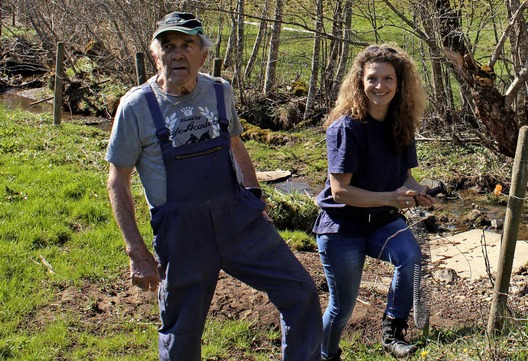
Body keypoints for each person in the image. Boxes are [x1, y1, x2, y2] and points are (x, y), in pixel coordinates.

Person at [105, 11, 322, 361]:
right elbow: (118, 180)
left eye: (187, 45)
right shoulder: (136, 107)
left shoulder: (220, 91)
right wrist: (136, 251)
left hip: (238, 221)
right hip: (184, 235)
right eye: (169, 45)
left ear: (202, 54)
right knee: (182, 334)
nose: (177, 54)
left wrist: (255, 199)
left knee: (300, 291)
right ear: (155, 54)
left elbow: (236, 146)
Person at [312, 44, 434, 360]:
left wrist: (422, 192)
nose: (380, 86)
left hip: (381, 220)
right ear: (360, 82)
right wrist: (390, 198)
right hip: (342, 226)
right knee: (342, 308)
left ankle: (393, 330)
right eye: (372, 79)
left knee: (411, 257)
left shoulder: (402, 123)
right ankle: (325, 354)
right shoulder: (346, 127)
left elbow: (405, 178)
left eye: (388, 79)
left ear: (399, 83)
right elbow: (340, 191)